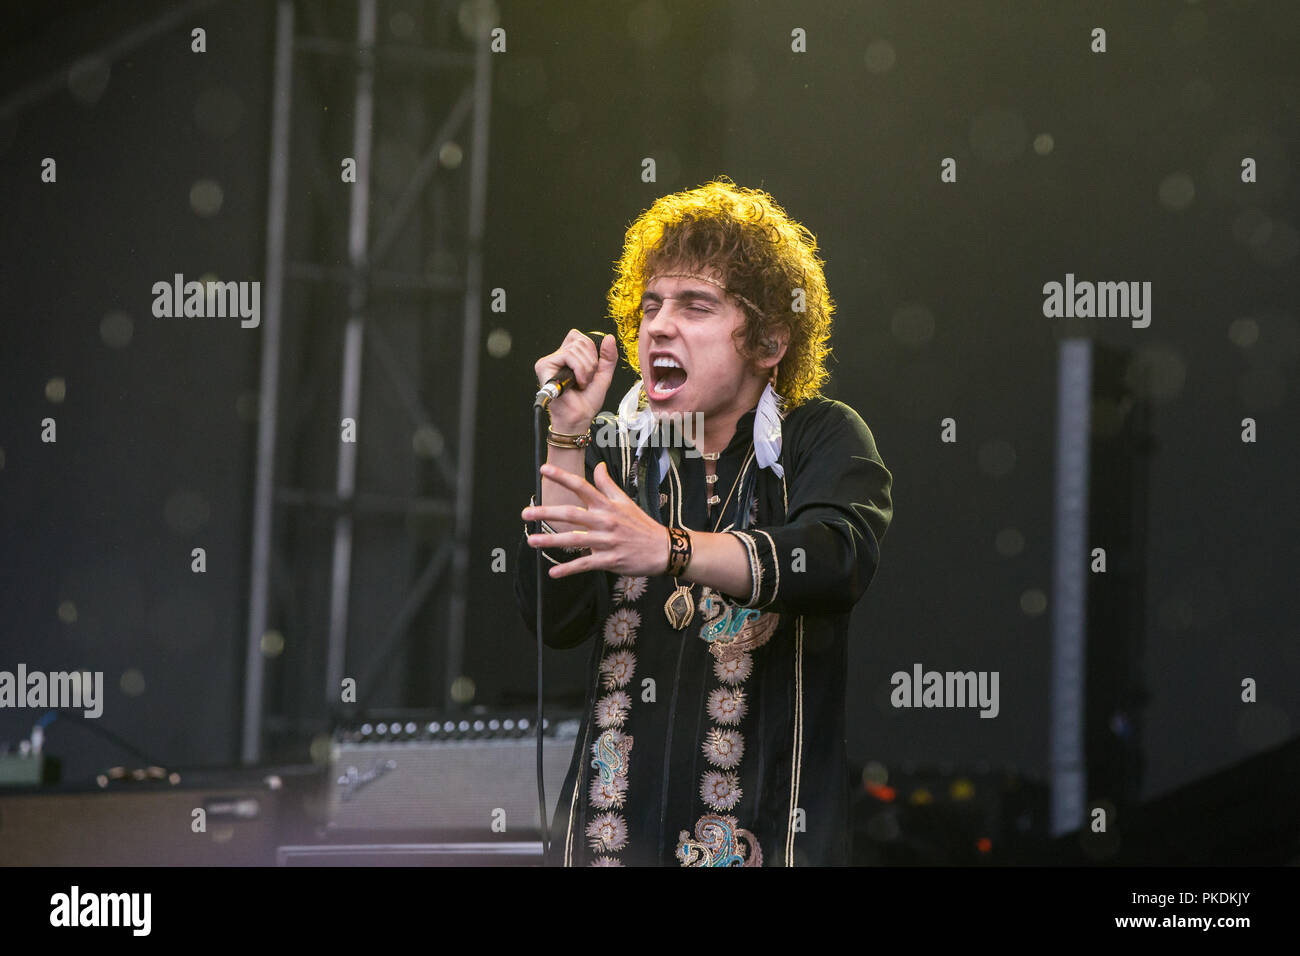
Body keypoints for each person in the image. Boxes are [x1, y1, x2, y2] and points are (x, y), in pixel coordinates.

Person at [515, 177, 893, 866]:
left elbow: (835, 558)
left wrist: (670, 547)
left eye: (696, 305)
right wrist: (566, 436)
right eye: (650, 305)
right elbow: (554, 615)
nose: (659, 324)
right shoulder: (616, 454)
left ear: (770, 341)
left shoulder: (821, 437)